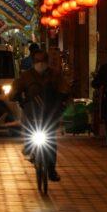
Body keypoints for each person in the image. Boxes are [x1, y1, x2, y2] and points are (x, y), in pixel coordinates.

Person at [11, 49, 70, 181]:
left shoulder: (55, 75)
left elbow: (64, 88)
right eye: (38, 61)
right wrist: (16, 96)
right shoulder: (26, 76)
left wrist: (63, 98)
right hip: (32, 114)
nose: (40, 64)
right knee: (28, 132)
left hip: (49, 114)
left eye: (43, 61)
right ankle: (30, 149)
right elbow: (15, 89)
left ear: (47, 62)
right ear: (33, 62)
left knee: (51, 141)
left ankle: (51, 169)